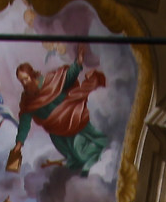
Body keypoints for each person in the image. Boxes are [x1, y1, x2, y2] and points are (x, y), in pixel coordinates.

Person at [8, 45, 109, 173]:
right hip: (57, 131)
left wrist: (78, 62)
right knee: (75, 156)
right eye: (21, 81)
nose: (25, 83)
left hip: (72, 116)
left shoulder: (50, 81)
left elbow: (68, 77)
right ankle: (91, 170)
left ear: (32, 75)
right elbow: (24, 122)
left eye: (26, 79)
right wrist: (19, 143)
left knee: (93, 140)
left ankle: (107, 158)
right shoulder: (27, 100)